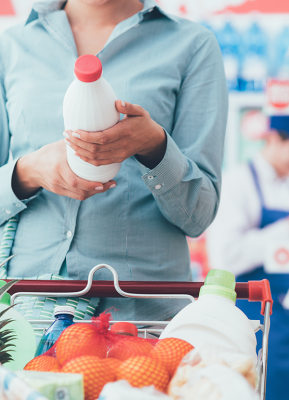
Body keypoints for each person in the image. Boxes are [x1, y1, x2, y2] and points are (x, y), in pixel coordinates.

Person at [0, 0, 228, 321]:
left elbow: (199, 216)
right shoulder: (11, 47)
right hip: (24, 311)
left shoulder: (192, 45)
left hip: (140, 316)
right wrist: (27, 172)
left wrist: (154, 146)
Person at [207, 115, 289, 400]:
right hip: (255, 320)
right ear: (273, 139)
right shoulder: (239, 182)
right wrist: (288, 228)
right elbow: (227, 256)